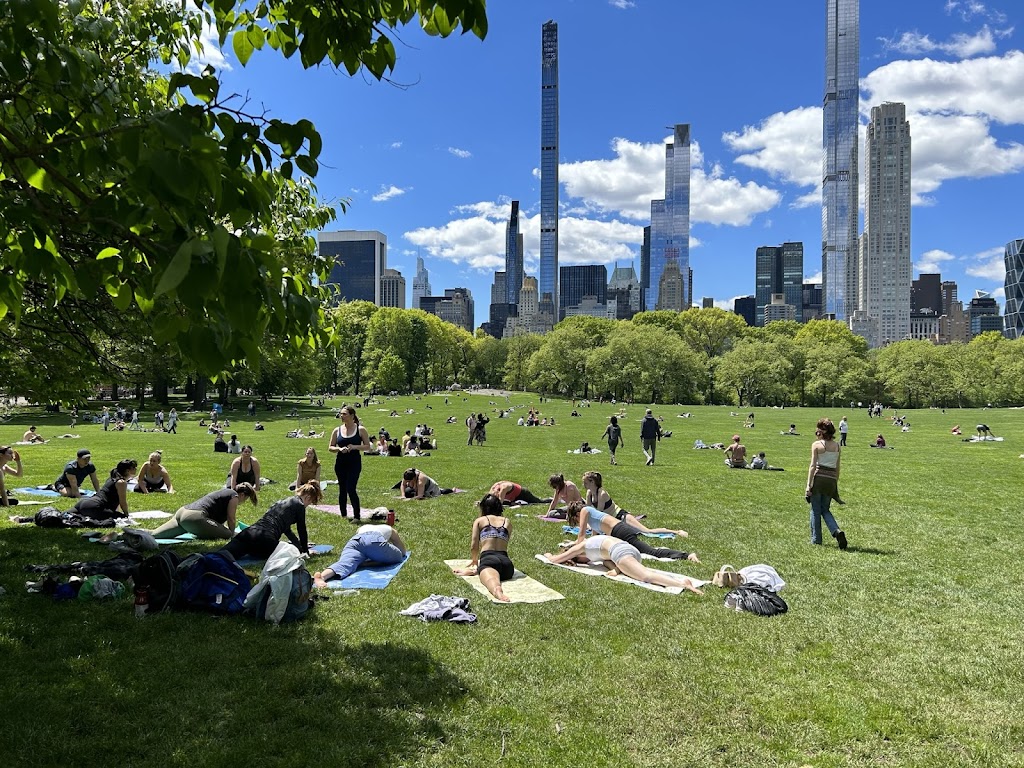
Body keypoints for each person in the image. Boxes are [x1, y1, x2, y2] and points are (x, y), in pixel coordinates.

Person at [543, 535, 703, 594]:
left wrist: (548, 555)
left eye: (579, 560)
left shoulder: (580, 547)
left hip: (621, 552)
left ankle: (682, 583)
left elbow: (555, 560)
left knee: (646, 576)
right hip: (629, 550)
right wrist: (616, 569)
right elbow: (607, 562)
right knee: (639, 571)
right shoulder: (594, 546)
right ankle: (681, 583)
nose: (587, 562)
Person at [566, 501, 696, 561]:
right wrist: (576, 545)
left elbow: (581, 536)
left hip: (621, 531)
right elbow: (593, 540)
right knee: (639, 552)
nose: (578, 522)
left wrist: (573, 548)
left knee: (651, 552)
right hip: (618, 532)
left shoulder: (585, 511)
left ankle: (687, 555)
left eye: (576, 519)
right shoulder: (591, 516)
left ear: (576, 514)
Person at [221, 481, 320, 561]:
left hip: (249, 533)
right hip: (265, 540)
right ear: (308, 497)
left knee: (221, 555)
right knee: (288, 551)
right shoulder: (300, 505)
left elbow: (287, 531)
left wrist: (300, 548)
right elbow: (302, 530)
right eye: (310, 502)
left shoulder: (283, 502)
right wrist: (305, 552)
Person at [451, 493, 514, 602]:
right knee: (493, 571)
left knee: (491, 579)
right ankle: (478, 571)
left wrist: (475, 560)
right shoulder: (507, 522)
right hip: (507, 564)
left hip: (489, 560)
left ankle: (497, 591)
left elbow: (474, 546)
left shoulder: (480, 521)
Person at [313, 521, 408, 588]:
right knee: (398, 557)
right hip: (375, 540)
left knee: (344, 563)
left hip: (355, 541)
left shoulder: (362, 527)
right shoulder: (391, 529)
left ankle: (322, 576)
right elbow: (402, 552)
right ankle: (369, 563)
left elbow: (363, 543)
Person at [151, 483, 258, 540]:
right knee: (227, 534)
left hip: (182, 513)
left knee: (154, 534)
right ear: (242, 495)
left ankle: (141, 534)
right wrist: (232, 533)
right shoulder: (234, 496)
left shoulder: (225, 492)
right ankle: (199, 533)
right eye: (246, 499)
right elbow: (231, 518)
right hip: (194, 519)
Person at [806, 418, 847, 549]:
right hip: (831, 479)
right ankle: (836, 531)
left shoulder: (816, 445)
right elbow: (838, 467)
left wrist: (808, 485)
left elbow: (813, 466)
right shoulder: (837, 446)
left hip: (819, 479)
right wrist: (835, 483)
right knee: (825, 509)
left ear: (822, 431)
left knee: (815, 510)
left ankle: (816, 539)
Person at [329, 405, 372, 521]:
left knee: (351, 488)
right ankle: (343, 515)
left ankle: (357, 516)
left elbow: (368, 447)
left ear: (352, 416)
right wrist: (339, 449)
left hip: (354, 463)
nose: (341, 416)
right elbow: (330, 447)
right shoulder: (337, 430)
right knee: (342, 489)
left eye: (344, 414)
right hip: (340, 463)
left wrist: (354, 447)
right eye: (341, 414)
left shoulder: (360, 429)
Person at [71, 459, 137, 519]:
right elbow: (123, 502)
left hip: (84, 503)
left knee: (66, 516)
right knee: (121, 518)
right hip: (95, 507)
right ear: (128, 471)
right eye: (134, 467)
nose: (136, 469)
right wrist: (126, 515)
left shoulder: (112, 478)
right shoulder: (121, 483)